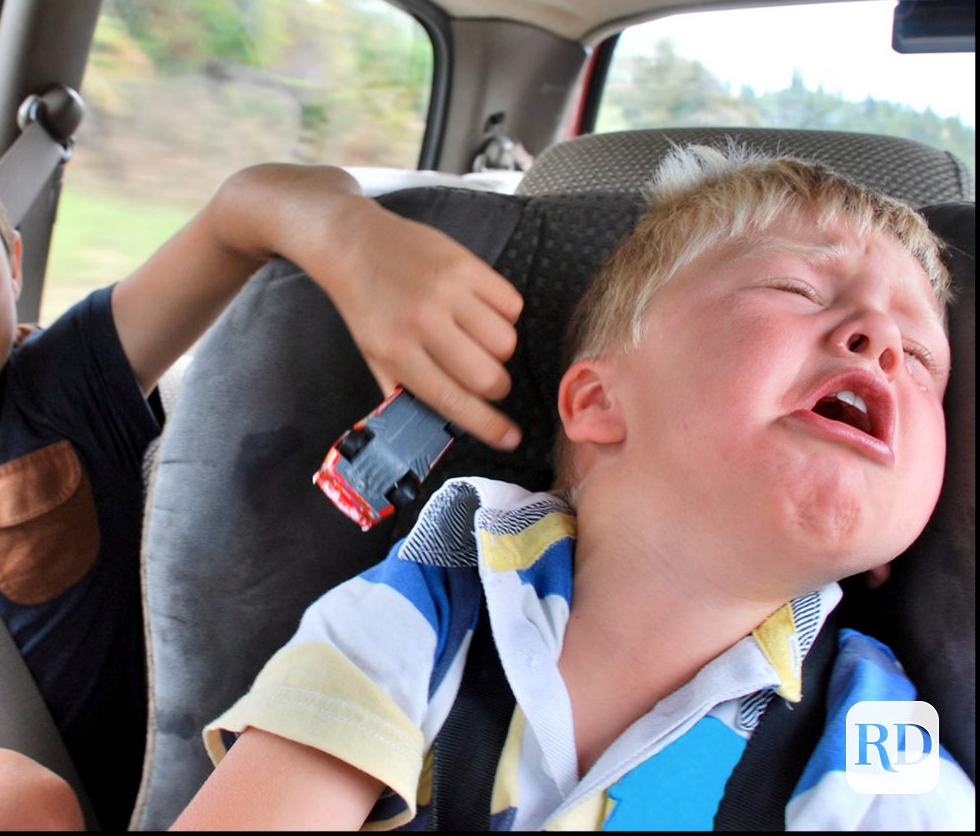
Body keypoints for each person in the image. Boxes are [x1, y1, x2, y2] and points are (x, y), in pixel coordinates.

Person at [172, 144, 975, 831]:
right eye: (797, 289)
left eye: (923, 358)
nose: (881, 343)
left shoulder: (873, 741)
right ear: (598, 402)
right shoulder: (417, 622)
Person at [0, 103, 525, 833]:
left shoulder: (73, 385)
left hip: (23, 809)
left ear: (12, 261)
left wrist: (352, 246)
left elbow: (244, 211)